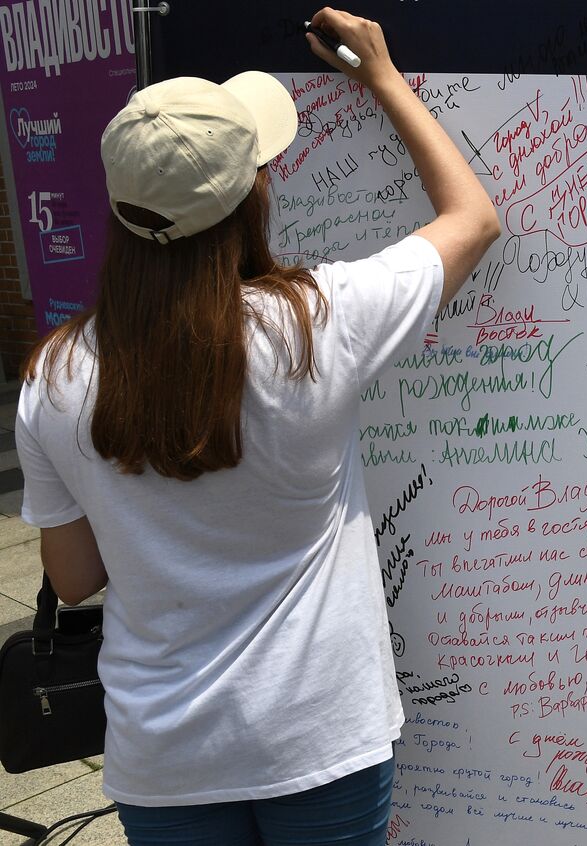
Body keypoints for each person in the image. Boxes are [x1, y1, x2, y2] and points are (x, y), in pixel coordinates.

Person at [15, 7, 499, 844]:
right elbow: (473, 220)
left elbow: (77, 574)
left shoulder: (54, 375)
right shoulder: (318, 322)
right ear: (252, 196)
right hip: (319, 735)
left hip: (165, 752)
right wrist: (383, 79)